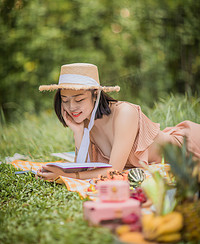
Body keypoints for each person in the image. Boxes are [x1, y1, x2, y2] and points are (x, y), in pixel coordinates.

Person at [37, 63, 200, 181]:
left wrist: (65, 175)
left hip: (189, 150)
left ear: (95, 95)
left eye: (79, 99)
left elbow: (113, 171)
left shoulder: (124, 113)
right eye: (65, 100)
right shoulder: (86, 122)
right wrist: (78, 132)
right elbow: (83, 167)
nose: (71, 107)